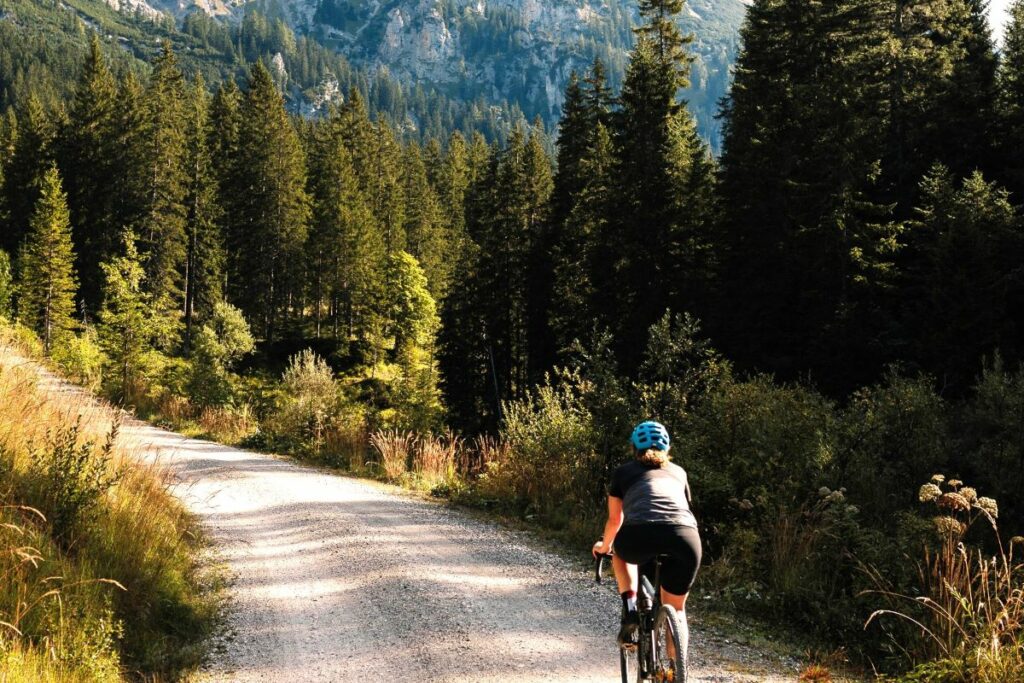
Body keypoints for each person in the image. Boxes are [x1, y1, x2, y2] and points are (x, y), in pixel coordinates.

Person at [592, 420, 702, 657]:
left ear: (634, 447)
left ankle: (631, 605)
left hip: (640, 533)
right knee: (678, 609)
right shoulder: (679, 472)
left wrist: (604, 546)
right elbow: (680, 510)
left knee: (618, 552)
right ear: (667, 447)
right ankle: (675, 673)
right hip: (685, 538)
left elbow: (614, 521)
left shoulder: (623, 472)